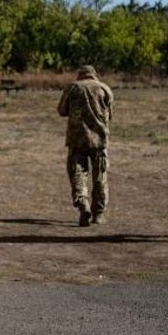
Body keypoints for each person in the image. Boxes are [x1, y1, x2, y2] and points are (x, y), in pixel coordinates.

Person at [57, 65, 115, 227]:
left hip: (77, 139)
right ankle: (99, 213)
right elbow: (110, 115)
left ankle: (83, 204)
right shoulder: (104, 88)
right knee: (100, 177)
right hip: (99, 140)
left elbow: (62, 110)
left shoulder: (73, 88)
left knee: (78, 175)